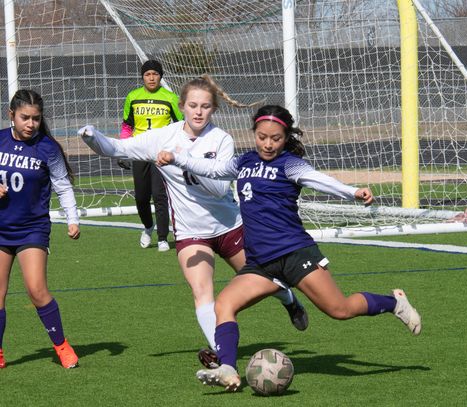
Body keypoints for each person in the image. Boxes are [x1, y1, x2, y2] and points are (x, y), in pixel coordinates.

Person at [156, 104, 422, 392]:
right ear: (254, 134)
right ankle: (229, 369)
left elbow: (320, 181)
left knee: (340, 310)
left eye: (276, 138)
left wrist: (352, 192)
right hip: (260, 262)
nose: (268, 144)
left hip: (295, 254)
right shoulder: (243, 162)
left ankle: (395, 303)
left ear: (285, 138)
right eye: (262, 137)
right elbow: (211, 168)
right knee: (224, 305)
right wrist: (177, 158)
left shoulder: (290, 164)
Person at [78, 77, 308, 368]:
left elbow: (219, 189)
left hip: (229, 227)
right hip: (190, 233)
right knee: (202, 294)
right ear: (182, 106)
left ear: (213, 110)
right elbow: (116, 148)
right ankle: (224, 358)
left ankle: (287, 298)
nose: (198, 112)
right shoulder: (162, 136)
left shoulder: (221, 140)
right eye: (193, 105)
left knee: (267, 283)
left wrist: (181, 159)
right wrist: (91, 136)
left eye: (205, 106)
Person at [0, 89, 81, 369]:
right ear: (11, 115)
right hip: (0, 229)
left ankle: (61, 346)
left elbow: (63, 185)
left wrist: (73, 218)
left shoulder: (48, 147)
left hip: (32, 229)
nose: (30, 124)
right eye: (24, 118)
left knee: (36, 290)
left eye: (36, 118)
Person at [121, 59, 183, 252]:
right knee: (141, 197)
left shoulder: (170, 97)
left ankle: (163, 237)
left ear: (160, 76)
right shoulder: (133, 96)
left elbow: (181, 125)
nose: (151, 77)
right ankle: (148, 227)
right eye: (147, 74)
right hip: (140, 152)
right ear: (142, 77)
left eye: (155, 74)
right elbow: (127, 126)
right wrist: (123, 149)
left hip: (161, 154)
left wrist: (178, 150)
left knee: (159, 195)